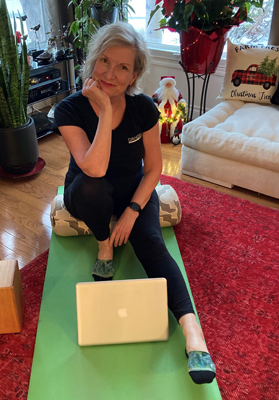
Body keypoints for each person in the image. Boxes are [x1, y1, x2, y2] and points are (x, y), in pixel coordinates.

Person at [54, 21, 216, 385]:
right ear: (93, 61)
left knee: (153, 247)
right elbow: (93, 168)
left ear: (135, 74)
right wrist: (107, 112)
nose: (110, 73)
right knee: (93, 188)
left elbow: (154, 168)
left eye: (122, 67)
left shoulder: (143, 107)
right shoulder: (70, 110)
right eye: (104, 61)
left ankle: (195, 337)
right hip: (86, 192)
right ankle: (102, 245)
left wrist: (133, 211)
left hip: (131, 191)